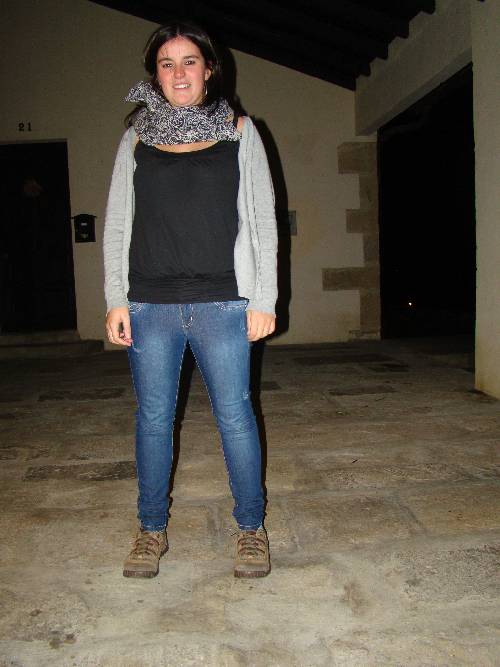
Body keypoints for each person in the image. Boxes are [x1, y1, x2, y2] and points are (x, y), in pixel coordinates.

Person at [103, 20, 278, 579]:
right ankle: (150, 530)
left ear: (208, 69)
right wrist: (115, 298)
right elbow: (117, 224)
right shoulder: (136, 139)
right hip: (149, 304)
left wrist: (264, 298)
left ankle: (250, 528)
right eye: (166, 63)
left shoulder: (240, 132)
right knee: (153, 420)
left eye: (189, 62)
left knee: (236, 418)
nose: (178, 73)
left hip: (223, 302)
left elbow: (263, 220)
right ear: (155, 74)